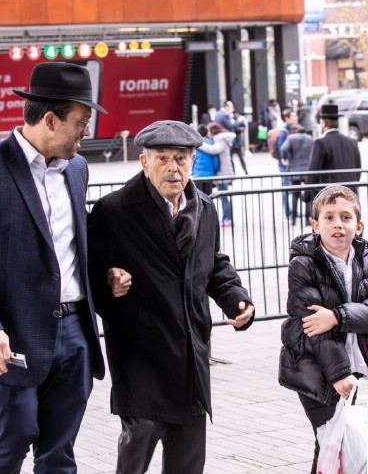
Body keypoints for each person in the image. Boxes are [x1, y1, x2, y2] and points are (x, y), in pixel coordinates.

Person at [0, 62, 106, 473]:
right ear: (50, 120)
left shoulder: (77, 169)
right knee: (12, 437)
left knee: (59, 450)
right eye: (81, 123)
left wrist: (109, 275)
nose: (87, 132)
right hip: (10, 333)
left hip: (75, 331)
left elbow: (74, 242)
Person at [87, 120, 255, 474]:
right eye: (161, 158)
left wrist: (236, 298)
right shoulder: (114, 210)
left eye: (180, 158)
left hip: (190, 354)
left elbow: (213, 263)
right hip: (141, 353)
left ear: (193, 161)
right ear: (144, 162)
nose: (172, 167)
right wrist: (107, 281)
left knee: (188, 460)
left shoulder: (204, 207)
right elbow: (88, 275)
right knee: (137, 448)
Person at [279, 185, 368, 474]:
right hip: (313, 365)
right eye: (329, 218)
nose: (338, 225)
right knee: (331, 439)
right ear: (316, 226)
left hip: (350, 366)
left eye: (345, 217)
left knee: (334, 442)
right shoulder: (304, 264)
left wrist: (337, 317)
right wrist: (338, 373)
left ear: (359, 226)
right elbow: (312, 326)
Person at [306, 104, 362, 194]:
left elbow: (313, 172)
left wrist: (307, 194)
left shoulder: (320, 143)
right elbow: (358, 169)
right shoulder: (352, 142)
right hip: (350, 194)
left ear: (324, 123)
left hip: (330, 195)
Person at [280, 123, 315, 226]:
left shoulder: (291, 138)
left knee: (295, 194)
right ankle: (307, 219)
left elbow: (283, 148)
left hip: (295, 169)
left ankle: (294, 219)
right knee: (308, 194)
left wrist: (285, 158)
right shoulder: (310, 139)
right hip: (307, 169)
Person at [204, 122, 237, 226]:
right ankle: (226, 217)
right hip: (224, 171)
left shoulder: (220, 140)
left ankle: (228, 218)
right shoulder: (221, 138)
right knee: (223, 196)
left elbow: (213, 150)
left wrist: (200, 144)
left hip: (223, 172)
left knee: (223, 197)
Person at [215, 100, 248, 174]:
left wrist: (239, 129)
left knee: (240, 158)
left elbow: (243, 127)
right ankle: (232, 174)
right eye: (230, 107)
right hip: (228, 140)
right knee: (229, 158)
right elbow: (230, 126)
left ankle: (245, 172)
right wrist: (239, 121)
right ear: (227, 107)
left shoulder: (233, 115)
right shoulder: (225, 115)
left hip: (236, 140)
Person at [190, 124, 218, 196]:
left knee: (199, 197)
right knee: (208, 197)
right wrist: (214, 171)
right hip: (209, 175)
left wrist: (192, 172)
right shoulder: (211, 143)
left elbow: (192, 160)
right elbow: (215, 161)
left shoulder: (195, 145)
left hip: (197, 175)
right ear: (207, 132)